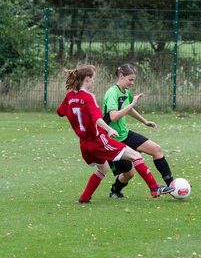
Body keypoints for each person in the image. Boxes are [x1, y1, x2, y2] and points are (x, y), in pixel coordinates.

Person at [56, 64, 174, 204]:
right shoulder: (89, 97)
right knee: (135, 156)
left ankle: (84, 198)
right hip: (98, 140)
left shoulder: (69, 96)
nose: (93, 81)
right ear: (87, 79)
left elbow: (60, 112)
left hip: (84, 144)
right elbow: (97, 118)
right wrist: (109, 129)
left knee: (103, 169)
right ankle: (154, 188)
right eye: (92, 79)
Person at [102, 63, 174, 199]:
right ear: (121, 76)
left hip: (125, 134)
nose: (132, 83)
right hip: (113, 140)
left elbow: (129, 109)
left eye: (134, 79)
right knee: (129, 174)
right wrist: (132, 104)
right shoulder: (112, 93)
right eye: (130, 79)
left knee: (156, 149)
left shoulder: (125, 92)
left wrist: (144, 121)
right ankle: (115, 190)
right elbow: (113, 116)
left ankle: (172, 186)